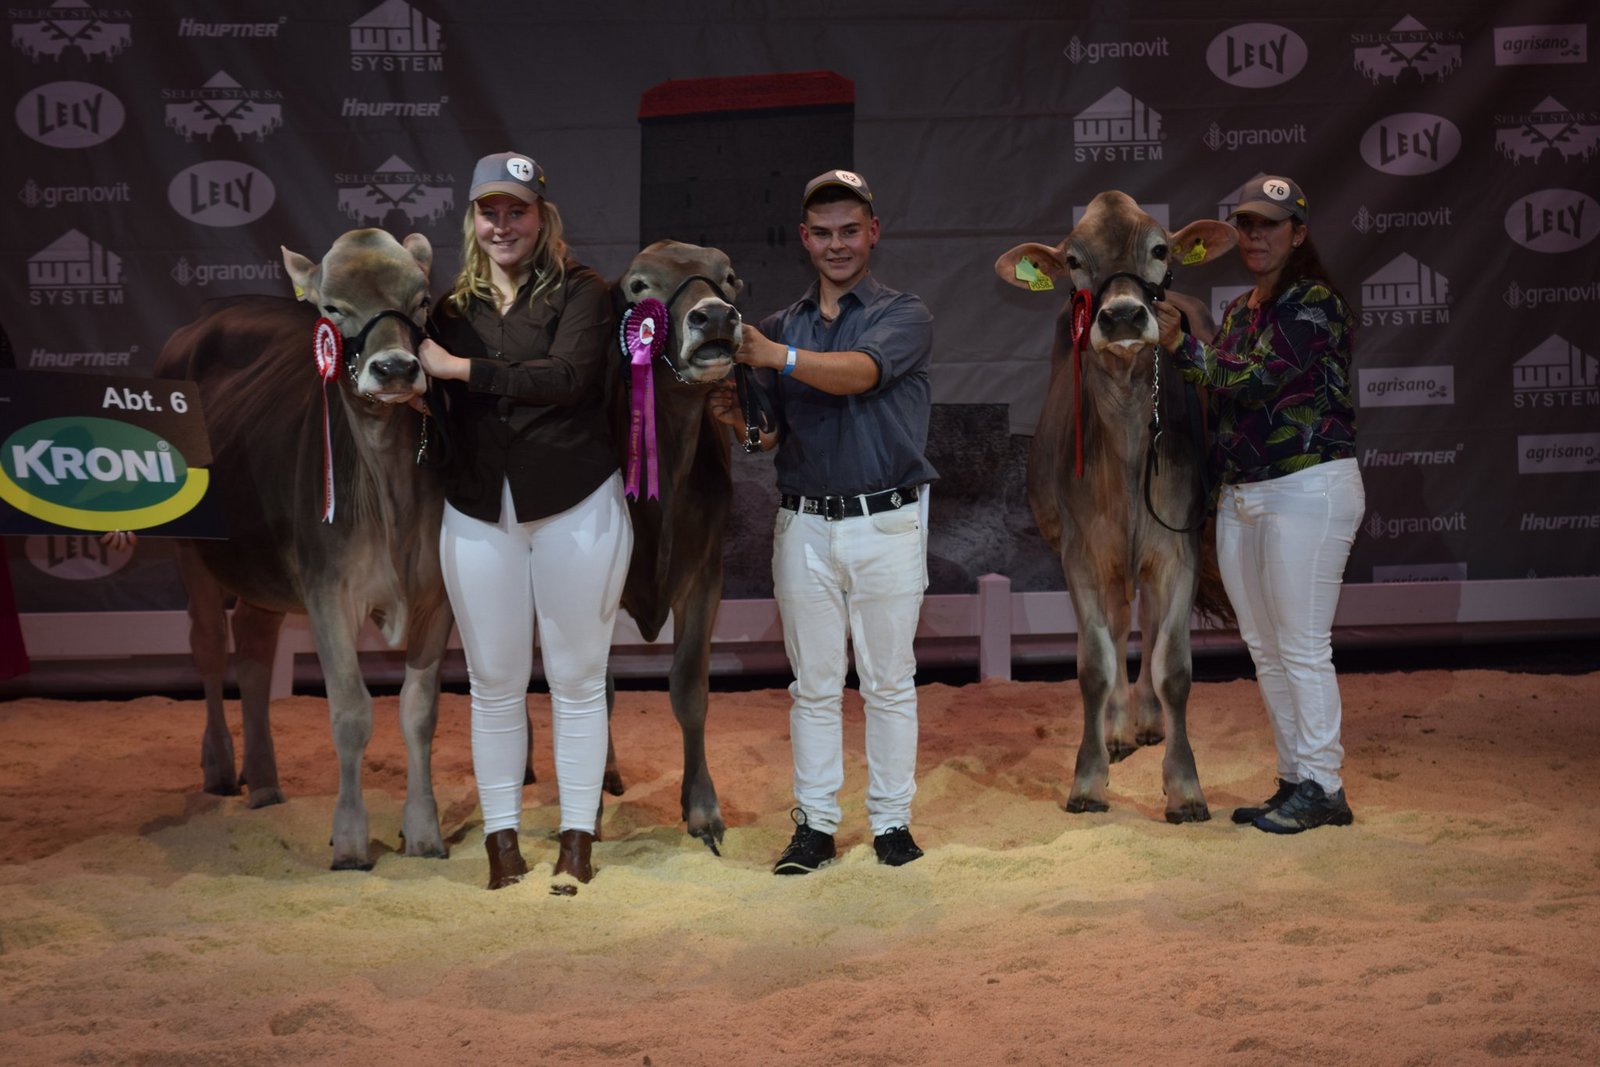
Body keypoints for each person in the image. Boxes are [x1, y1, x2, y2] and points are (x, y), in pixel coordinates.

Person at [714, 168, 937, 873]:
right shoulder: (782, 324)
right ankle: (814, 826)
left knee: (888, 682)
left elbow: (860, 373)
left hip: (887, 520)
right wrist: (740, 421)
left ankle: (892, 823)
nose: (837, 244)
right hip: (804, 522)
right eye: (823, 233)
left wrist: (774, 357)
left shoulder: (906, 314)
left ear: (873, 232)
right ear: (804, 239)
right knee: (813, 685)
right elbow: (768, 437)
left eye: (850, 230)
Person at [418, 151, 630, 887]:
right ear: (473, 220)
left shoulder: (583, 291)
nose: (502, 225)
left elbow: (569, 378)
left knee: (578, 679)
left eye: (517, 211)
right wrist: (421, 393)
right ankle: (502, 845)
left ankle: (577, 840)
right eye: (490, 212)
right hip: (479, 509)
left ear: (543, 217)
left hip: (576, 501)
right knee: (494, 682)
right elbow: (438, 404)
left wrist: (461, 370)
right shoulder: (448, 311)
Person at [1154, 174, 1364, 834]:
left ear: (1298, 233)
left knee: (1301, 646)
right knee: (1266, 649)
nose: (1255, 235)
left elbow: (1253, 380)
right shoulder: (1242, 310)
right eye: (1246, 224)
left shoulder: (1315, 304)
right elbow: (1218, 395)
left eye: (1269, 224)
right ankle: (1297, 778)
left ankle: (1325, 785)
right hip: (1245, 494)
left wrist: (1180, 345)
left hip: (1307, 486)